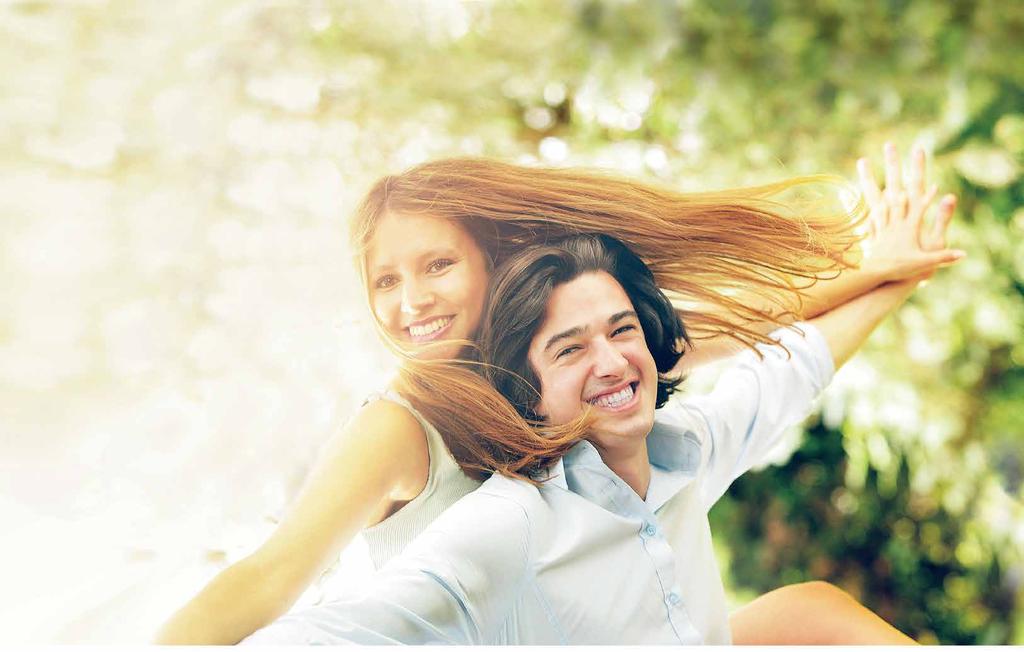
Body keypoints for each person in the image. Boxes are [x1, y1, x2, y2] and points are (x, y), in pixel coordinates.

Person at [155, 144, 960, 644]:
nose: (412, 302)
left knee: (807, 615)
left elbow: (761, 328)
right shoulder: (400, 430)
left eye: (437, 265)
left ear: (491, 259)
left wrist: (893, 266)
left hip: (593, 626)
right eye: (385, 282)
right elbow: (270, 578)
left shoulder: (570, 368)